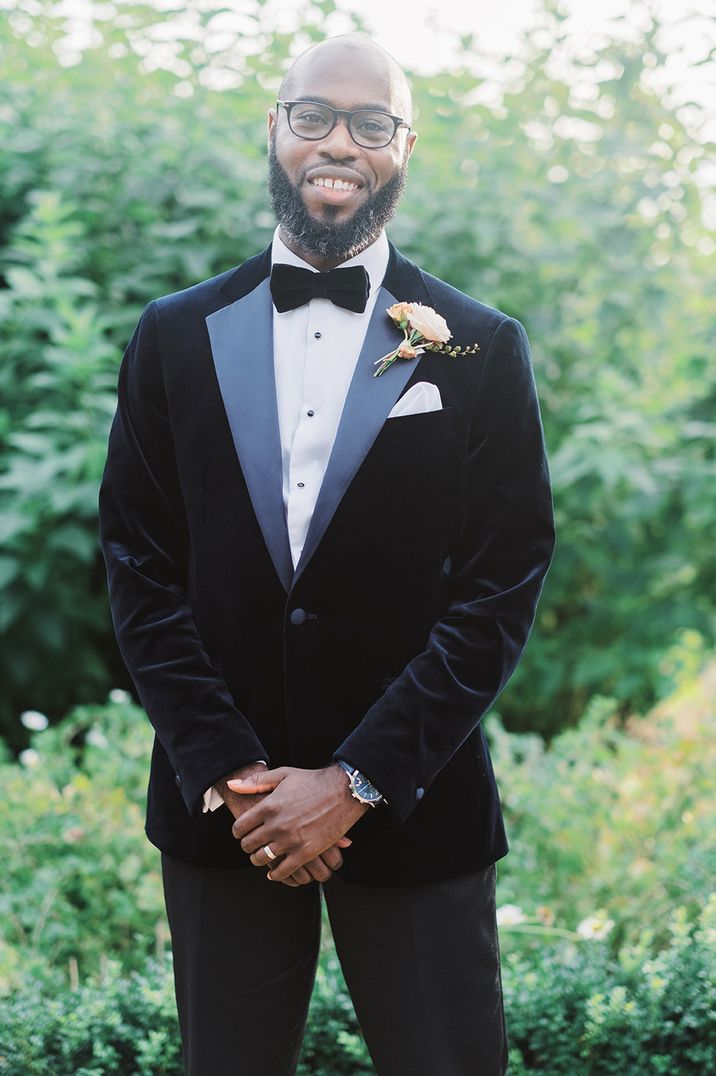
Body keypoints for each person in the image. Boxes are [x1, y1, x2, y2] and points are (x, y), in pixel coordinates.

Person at [99, 32, 554, 1076]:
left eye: (370, 122)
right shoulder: (172, 333)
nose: (337, 143)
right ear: (274, 127)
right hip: (228, 817)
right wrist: (231, 768)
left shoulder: (480, 347)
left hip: (415, 803)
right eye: (313, 116)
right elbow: (137, 561)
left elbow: (500, 584)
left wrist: (354, 778)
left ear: (405, 144)